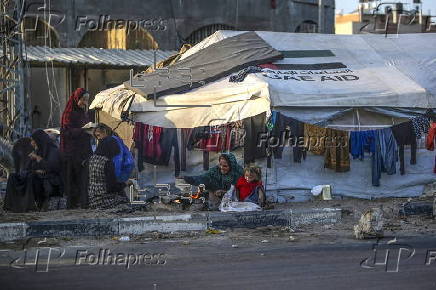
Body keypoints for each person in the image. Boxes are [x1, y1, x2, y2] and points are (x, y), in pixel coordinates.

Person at [4, 130, 62, 212]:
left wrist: (38, 159)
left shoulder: (53, 150)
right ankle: (13, 206)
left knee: (31, 178)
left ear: (39, 140)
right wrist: (34, 165)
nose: (32, 143)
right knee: (13, 177)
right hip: (38, 175)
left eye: (33, 140)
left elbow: (53, 167)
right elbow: (30, 167)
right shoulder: (38, 150)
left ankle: (29, 207)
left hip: (50, 178)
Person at [60, 88, 92, 209]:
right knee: (72, 178)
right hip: (72, 152)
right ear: (76, 99)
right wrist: (82, 130)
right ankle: (72, 204)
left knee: (83, 178)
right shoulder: (68, 113)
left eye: (87, 100)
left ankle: (83, 203)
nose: (85, 102)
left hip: (83, 150)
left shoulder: (83, 112)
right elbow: (66, 132)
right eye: (83, 99)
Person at [88, 135, 128, 209]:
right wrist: (125, 184)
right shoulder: (107, 163)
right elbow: (111, 187)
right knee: (125, 200)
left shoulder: (91, 159)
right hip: (104, 201)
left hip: (91, 200)